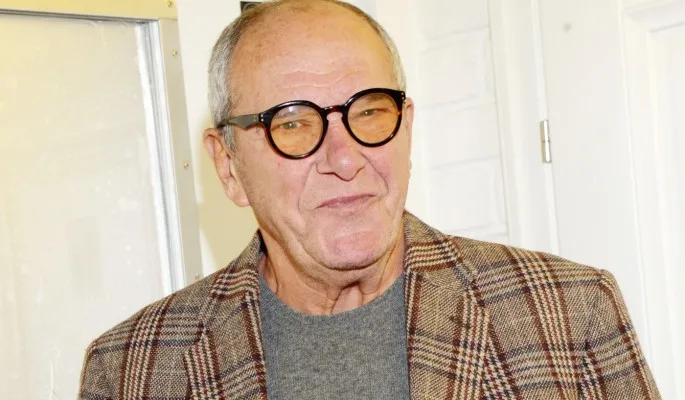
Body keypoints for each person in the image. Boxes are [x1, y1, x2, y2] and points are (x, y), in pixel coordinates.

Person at [79, 0, 661, 399]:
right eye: (293, 123)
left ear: (407, 129)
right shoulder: (134, 371)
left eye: (370, 111)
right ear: (227, 165)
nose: (345, 158)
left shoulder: (568, 312)